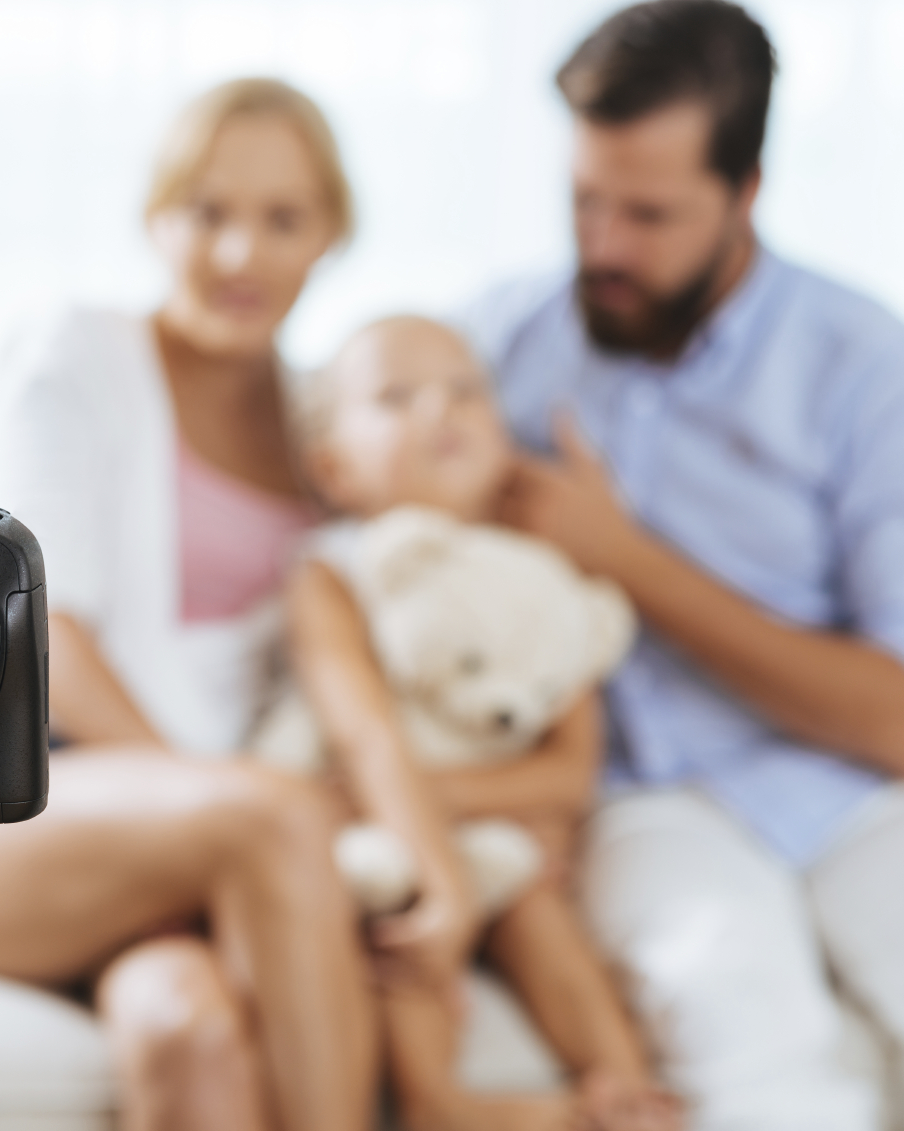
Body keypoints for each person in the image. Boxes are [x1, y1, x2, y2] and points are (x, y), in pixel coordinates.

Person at [0, 79, 470, 1131]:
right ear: (155, 217)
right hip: (14, 816)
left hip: (212, 857)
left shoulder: (324, 428)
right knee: (265, 816)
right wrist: (224, 799)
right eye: (208, 212)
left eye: (282, 219)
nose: (240, 254)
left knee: (180, 1026)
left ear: (331, 233)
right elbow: (46, 635)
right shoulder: (75, 353)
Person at [458, 3, 904, 1128]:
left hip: (875, 793)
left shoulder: (876, 371)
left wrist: (624, 560)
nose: (604, 247)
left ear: (746, 191)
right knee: (735, 1030)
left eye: (650, 213)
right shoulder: (499, 347)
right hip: (651, 805)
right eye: (584, 202)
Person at [290, 314, 682, 1131]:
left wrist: (454, 804)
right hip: (382, 834)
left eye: (466, 390)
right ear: (333, 465)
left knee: (533, 901)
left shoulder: (544, 580)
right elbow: (364, 739)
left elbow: (569, 771)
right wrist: (435, 847)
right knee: (392, 914)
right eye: (396, 397)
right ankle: (437, 1102)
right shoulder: (333, 575)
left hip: (465, 824)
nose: (441, 408)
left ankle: (623, 1089)